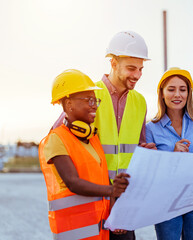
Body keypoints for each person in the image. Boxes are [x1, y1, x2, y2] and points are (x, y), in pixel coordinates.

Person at [52, 31, 156, 240]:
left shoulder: (140, 102)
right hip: (91, 201)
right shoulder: (89, 94)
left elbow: (136, 148)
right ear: (113, 63)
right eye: (131, 68)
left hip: (123, 201)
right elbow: (59, 138)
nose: (137, 75)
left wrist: (144, 151)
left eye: (141, 69)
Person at [39, 69, 130, 240]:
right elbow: (73, 182)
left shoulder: (93, 138)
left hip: (98, 232)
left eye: (95, 100)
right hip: (73, 232)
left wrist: (114, 215)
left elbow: (102, 179)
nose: (94, 105)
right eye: (88, 100)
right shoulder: (57, 139)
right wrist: (112, 189)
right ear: (68, 104)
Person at [146, 67, 193, 240]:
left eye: (182, 90)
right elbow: (151, 170)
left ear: (189, 93)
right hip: (165, 201)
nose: (177, 94)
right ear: (161, 93)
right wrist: (172, 156)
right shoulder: (150, 128)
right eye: (171, 89)